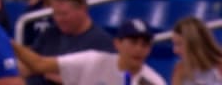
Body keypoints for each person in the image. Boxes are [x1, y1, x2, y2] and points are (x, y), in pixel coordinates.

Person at [12, 19, 165, 85]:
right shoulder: (93, 61)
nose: (139, 49)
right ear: (117, 44)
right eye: (133, 43)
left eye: (144, 44)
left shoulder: (153, 82)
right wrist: (6, 42)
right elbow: (39, 64)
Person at [24, 0, 114, 85]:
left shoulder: (102, 43)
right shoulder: (49, 34)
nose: (59, 19)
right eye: (56, 14)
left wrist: (50, 73)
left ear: (83, 9)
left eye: (64, 14)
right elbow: (28, 65)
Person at [171, 16, 222, 85]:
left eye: (179, 44)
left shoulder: (219, 66)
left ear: (195, 44)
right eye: (174, 44)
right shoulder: (180, 70)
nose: (175, 50)